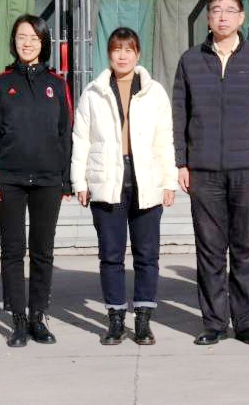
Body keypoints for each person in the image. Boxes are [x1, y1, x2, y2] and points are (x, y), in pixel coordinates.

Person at [172, 0, 249, 346]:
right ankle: (214, 323)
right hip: (203, 169)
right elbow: (179, 114)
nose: (222, 16)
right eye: (216, 10)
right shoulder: (191, 60)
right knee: (209, 249)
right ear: (207, 17)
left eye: (230, 10)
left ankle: (248, 322)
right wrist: (181, 161)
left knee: (247, 248)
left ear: (241, 18)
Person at [71, 27, 178, 346]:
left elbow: (164, 139)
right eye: (117, 49)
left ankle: (143, 320)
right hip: (107, 180)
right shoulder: (93, 92)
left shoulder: (154, 92)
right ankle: (116, 319)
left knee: (147, 255)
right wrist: (79, 181)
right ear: (108, 54)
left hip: (146, 179)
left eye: (128, 49)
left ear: (138, 54)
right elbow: (81, 139)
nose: (122, 56)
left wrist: (169, 180)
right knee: (111, 255)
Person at [0, 14, 73, 347]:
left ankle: (38, 317)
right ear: (14, 42)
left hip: (48, 180)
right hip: (9, 181)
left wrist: (65, 179)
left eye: (34, 37)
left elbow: (66, 133)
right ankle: (18, 319)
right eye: (22, 37)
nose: (28, 43)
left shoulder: (57, 84)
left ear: (43, 42)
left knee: (43, 251)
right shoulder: (1, 84)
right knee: (13, 250)